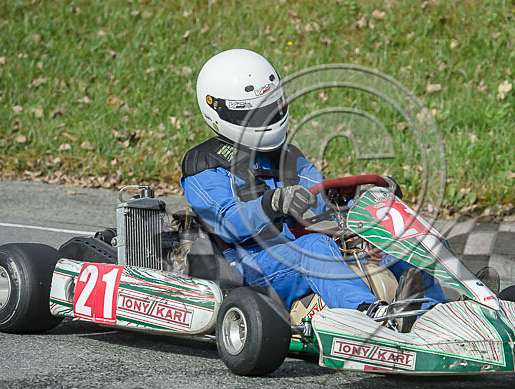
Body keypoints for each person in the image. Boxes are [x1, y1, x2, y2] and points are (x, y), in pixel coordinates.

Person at [180, 49, 443, 318]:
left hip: (306, 248)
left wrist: (365, 196)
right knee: (314, 248)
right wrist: (271, 204)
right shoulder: (204, 163)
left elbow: (321, 196)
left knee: (396, 242)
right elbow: (225, 221)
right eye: (255, 114)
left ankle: (436, 312)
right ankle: (368, 315)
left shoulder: (288, 157)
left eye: (271, 109)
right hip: (250, 267)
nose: (267, 119)